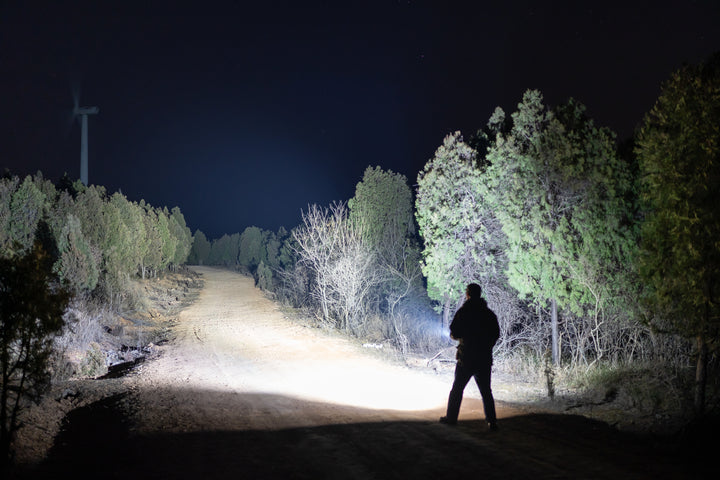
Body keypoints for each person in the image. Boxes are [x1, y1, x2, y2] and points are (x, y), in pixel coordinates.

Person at [440, 283, 500, 430]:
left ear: (468, 294)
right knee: (486, 391)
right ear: (479, 294)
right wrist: (487, 347)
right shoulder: (489, 314)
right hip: (484, 359)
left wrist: (462, 339)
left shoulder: (464, 312)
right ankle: (492, 422)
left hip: (466, 358)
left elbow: (454, 332)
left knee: (457, 389)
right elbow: (496, 334)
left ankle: (451, 418)